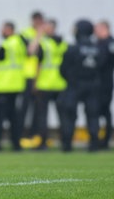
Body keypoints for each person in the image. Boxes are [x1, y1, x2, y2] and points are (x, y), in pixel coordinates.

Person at [59, 19, 105, 152]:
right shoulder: (98, 49)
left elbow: (63, 68)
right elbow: (101, 67)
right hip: (93, 85)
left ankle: (67, 144)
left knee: (69, 114)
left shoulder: (72, 49)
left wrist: (71, 79)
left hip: (74, 85)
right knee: (93, 114)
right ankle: (94, 144)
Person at [0, 22, 27, 152]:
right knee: (14, 117)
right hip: (16, 85)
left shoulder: (6, 44)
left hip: (4, 86)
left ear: (9, 30)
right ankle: (16, 144)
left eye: (3, 29)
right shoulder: (20, 43)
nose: (2, 31)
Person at [33, 19, 67, 151]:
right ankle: (65, 142)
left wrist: (35, 82)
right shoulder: (63, 43)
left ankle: (43, 143)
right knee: (62, 115)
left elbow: (39, 64)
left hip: (45, 84)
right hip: (60, 84)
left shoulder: (44, 44)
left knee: (42, 116)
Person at [95, 20, 114, 150]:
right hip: (101, 82)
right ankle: (99, 139)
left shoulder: (110, 43)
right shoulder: (102, 43)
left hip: (105, 83)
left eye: (97, 29)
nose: (95, 32)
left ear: (104, 28)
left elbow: (101, 63)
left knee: (104, 111)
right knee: (99, 112)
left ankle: (105, 140)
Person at [20, 11, 44, 140]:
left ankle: (36, 135)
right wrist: (38, 35)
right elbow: (30, 51)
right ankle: (22, 135)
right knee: (24, 107)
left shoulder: (47, 35)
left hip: (43, 77)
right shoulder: (26, 34)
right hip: (29, 75)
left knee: (39, 110)